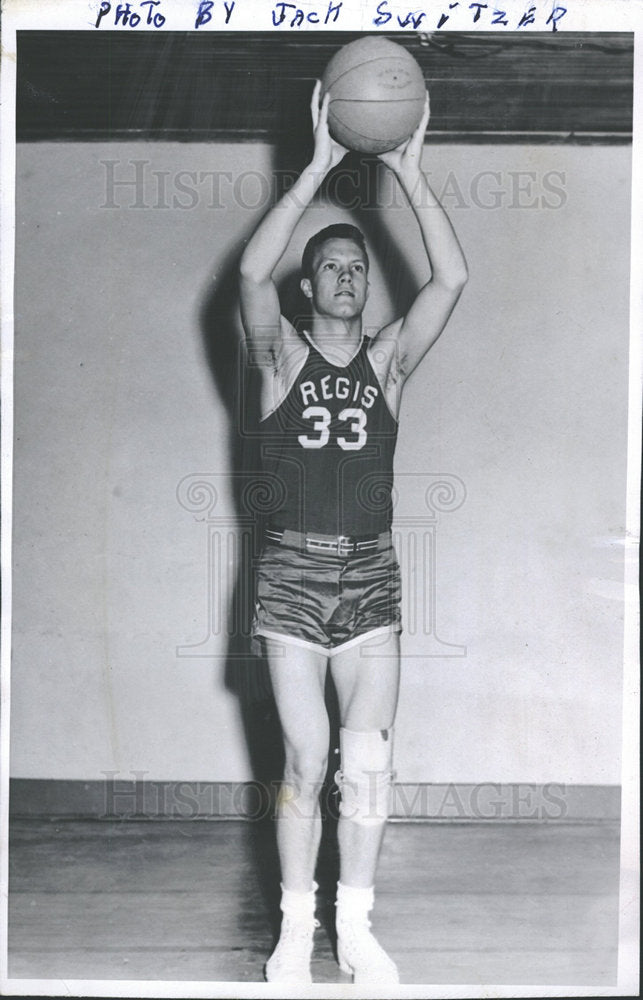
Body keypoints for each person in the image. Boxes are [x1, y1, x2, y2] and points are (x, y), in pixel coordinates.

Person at [239, 80, 468, 985]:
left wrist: (409, 174)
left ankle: (356, 925)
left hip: (370, 580)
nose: (346, 273)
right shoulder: (279, 355)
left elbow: (450, 278)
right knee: (303, 756)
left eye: (357, 267)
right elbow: (251, 274)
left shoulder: (389, 362)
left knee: (366, 762)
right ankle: (296, 928)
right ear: (311, 283)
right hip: (291, 575)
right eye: (331, 264)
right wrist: (315, 173)